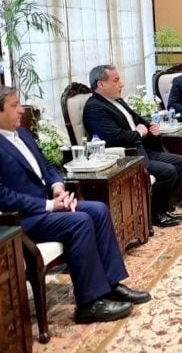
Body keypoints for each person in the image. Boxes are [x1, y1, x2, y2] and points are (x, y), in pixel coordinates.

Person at [0, 86, 151, 324]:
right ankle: (89, 303)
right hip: (22, 219)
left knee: (98, 210)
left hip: (49, 203)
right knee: (79, 221)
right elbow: (3, 196)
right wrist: (50, 205)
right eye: (14, 105)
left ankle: (111, 285)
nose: (21, 110)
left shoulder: (22, 134)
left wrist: (57, 188)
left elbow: (48, 166)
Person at [83, 65, 182, 228]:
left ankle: (165, 208)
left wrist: (150, 129)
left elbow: (137, 122)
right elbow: (114, 137)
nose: (122, 84)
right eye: (116, 80)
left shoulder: (117, 100)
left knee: (181, 162)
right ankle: (155, 215)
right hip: (128, 156)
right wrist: (139, 133)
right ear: (101, 84)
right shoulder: (94, 107)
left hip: (142, 149)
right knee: (168, 171)